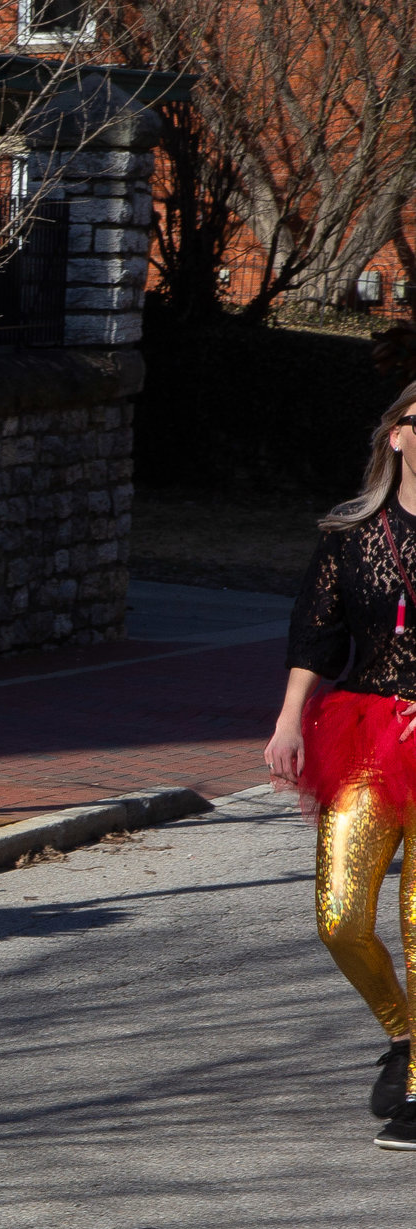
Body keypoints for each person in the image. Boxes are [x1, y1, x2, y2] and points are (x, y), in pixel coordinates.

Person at [269, 380, 416, 1152]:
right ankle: (405, 1033)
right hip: (364, 728)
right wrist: (290, 718)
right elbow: (316, 633)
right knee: (340, 915)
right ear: (397, 435)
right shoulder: (351, 532)